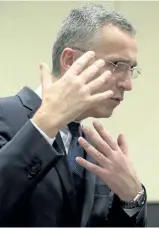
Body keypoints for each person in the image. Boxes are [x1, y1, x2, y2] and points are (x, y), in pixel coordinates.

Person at [0, 3, 146, 226]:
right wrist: (42, 128)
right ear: (70, 60)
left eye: (130, 70)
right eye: (117, 65)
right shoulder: (5, 115)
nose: (127, 84)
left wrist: (131, 199)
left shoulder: (94, 149)